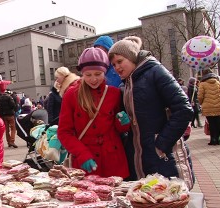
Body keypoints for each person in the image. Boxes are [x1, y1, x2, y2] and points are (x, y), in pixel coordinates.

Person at [108, 36, 194, 180]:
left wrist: (161, 144)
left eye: (120, 61)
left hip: (162, 154)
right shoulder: (125, 85)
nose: (117, 67)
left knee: (169, 196)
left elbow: (184, 109)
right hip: (140, 155)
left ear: (132, 57)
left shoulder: (156, 72)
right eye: (113, 64)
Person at [57, 47, 131, 178]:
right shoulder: (71, 95)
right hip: (86, 161)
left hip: (113, 161)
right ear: (82, 74)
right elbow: (64, 132)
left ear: (105, 72)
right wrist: (81, 154)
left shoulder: (114, 93)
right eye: (88, 75)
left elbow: (119, 129)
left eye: (98, 74)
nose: (93, 79)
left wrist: (123, 123)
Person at [197, 69, 220, 145]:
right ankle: (218, 139)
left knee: (211, 124)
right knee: (218, 123)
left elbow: (200, 97)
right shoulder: (218, 83)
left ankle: (213, 139)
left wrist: (201, 103)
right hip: (218, 107)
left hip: (208, 107)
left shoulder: (202, 84)